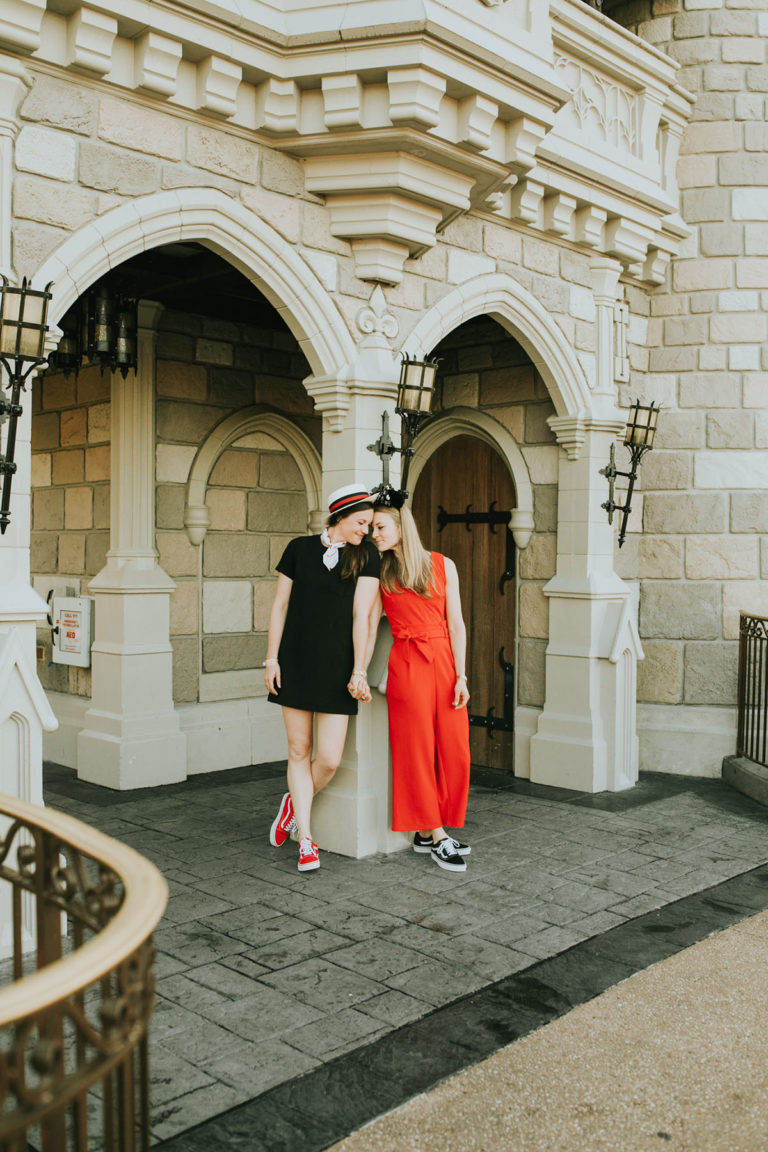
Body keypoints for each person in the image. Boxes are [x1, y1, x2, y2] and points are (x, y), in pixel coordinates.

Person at [264, 483, 380, 872]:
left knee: (328, 759)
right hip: (295, 662)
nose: (365, 530)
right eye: (361, 522)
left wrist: (359, 669)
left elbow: (363, 615)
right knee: (299, 751)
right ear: (340, 516)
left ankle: (292, 803)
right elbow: (280, 606)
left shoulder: (368, 555)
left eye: (369, 524)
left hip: (338, 668)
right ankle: (306, 840)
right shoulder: (299, 548)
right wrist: (271, 659)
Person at [370, 492, 471, 873]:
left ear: (400, 526)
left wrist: (462, 675)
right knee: (415, 751)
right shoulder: (380, 574)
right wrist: (359, 669)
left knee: (455, 749)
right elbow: (364, 622)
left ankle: (427, 833)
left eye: (380, 528)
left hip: (444, 661)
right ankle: (437, 835)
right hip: (408, 662)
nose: (375, 535)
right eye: (372, 529)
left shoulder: (443, 565)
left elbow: (457, 624)